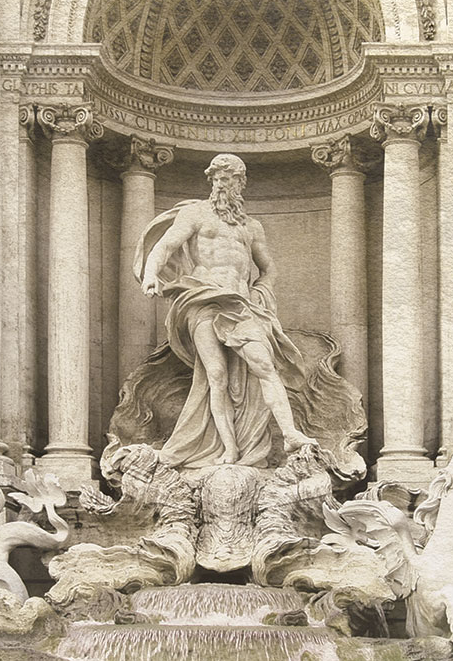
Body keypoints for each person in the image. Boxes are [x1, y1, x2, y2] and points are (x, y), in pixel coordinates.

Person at [135, 154, 320, 469]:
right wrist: (151, 273)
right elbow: (165, 246)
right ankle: (230, 449)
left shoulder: (251, 227)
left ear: (240, 183)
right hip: (203, 300)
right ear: (211, 181)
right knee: (216, 376)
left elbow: (269, 269)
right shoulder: (195, 214)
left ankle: (290, 434)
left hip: (240, 305)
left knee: (265, 365)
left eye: (229, 179)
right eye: (217, 178)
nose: (222, 184)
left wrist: (261, 291)